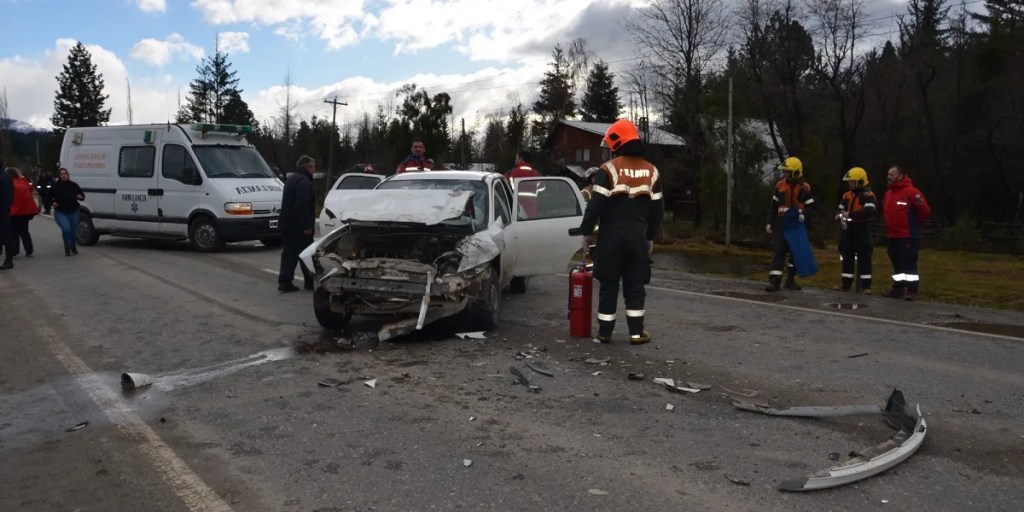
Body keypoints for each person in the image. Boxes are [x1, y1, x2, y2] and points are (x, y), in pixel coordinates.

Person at [578, 119, 664, 345]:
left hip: (610, 240)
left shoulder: (608, 169)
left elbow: (595, 206)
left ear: (617, 143)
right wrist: (650, 237)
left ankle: (604, 333)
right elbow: (658, 210)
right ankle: (636, 333)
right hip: (638, 239)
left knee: (608, 284)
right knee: (635, 285)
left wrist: (586, 232)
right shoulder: (652, 171)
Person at [764, 156, 815, 292]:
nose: (784, 174)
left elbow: (810, 207)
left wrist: (804, 215)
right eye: (784, 171)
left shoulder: (805, 187)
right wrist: (770, 222)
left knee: (795, 253)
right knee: (778, 252)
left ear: (795, 172)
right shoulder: (780, 185)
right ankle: (774, 282)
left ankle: (790, 280)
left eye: (787, 171)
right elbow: (773, 206)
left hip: (796, 224)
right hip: (781, 224)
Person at [883, 165, 931, 301]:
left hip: (908, 236)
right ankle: (898, 288)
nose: (888, 177)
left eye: (891, 174)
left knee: (909, 263)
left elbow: (924, 211)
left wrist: (914, 225)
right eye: (888, 174)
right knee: (897, 264)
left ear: (900, 176)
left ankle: (911, 290)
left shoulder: (912, 192)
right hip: (892, 236)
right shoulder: (888, 194)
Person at [834, 167, 877, 293]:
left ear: (860, 181)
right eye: (849, 181)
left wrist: (850, 214)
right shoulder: (846, 196)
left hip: (862, 229)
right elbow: (839, 209)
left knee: (864, 258)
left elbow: (868, 211)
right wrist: (839, 215)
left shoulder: (869, 196)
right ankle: (845, 285)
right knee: (847, 256)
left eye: (852, 181)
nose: (850, 183)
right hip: (848, 229)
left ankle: (866, 287)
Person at [278, 155, 317, 292]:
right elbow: (301, 206)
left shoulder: (292, 179)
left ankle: (285, 280)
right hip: (298, 226)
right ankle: (309, 281)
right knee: (307, 254)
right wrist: (307, 225)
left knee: (289, 253)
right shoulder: (303, 182)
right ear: (307, 167)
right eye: (313, 167)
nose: (314, 170)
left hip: (287, 223)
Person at [51, 167, 85, 256]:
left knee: (73, 230)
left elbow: (82, 196)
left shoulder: (73, 185)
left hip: (74, 211)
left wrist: (80, 196)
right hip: (61, 212)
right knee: (66, 229)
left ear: (68, 175)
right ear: (59, 176)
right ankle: (67, 247)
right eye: (61, 174)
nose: (63, 175)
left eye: (65, 173)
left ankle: (73, 246)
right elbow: (48, 196)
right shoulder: (55, 186)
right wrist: (53, 202)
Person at [8, 167, 40, 257]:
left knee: (14, 232)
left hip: (14, 211)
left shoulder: (9, 183)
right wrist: (22, 177)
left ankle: (14, 251)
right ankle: (29, 250)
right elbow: (30, 189)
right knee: (24, 231)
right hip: (24, 211)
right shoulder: (23, 181)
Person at [504, 151, 541, 219]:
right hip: (532, 211)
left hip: (515, 210)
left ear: (521, 159)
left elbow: (503, 187)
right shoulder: (536, 174)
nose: (516, 160)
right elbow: (542, 188)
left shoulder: (512, 173)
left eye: (517, 158)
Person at [0, 159, 14, 269]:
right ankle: (8, 260)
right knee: (6, 236)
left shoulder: (2, 178)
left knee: (6, 236)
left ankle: (8, 261)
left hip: (2, 212)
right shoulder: (6, 176)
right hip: (5, 211)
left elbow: (5, 197)